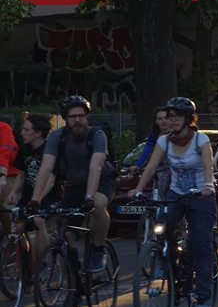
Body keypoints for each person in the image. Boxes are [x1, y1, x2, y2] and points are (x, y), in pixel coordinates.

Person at [130, 98, 218, 307]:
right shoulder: (164, 141)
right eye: (170, 116)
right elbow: (151, 167)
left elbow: (208, 164)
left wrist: (208, 185)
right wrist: (138, 189)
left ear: (188, 118)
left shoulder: (200, 140)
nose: (173, 119)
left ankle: (202, 297)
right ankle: (168, 261)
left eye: (178, 115)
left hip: (201, 196)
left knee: (200, 245)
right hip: (176, 194)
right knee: (162, 226)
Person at [29, 96, 116, 274]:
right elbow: (46, 168)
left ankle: (98, 250)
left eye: (81, 116)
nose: (77, 120)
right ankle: (74, 275)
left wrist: (90, 197)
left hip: (102, 180)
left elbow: (96, 166)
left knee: (98, 204)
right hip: (74, 184)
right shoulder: (57, 136)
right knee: (66, 231)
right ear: (65, 119)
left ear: (87, 117)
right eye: (73, 116)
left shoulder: (96, 134)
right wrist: (34, 201)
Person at [3, 114, 55, 252]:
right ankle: (24, 260)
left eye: (26, 130)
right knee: (17, 227)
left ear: (38, 133)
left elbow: (50, 180)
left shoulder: (49, 150)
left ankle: (43, 262)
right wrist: (14, 191)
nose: (22, 133)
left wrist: (37, 199)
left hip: (46, 196)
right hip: (28, 194)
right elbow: (21, 173)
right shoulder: (25, 148)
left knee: (38, 221)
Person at [131, 107, 173, 198]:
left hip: (175, 170)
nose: (163, 121)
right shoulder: (154, 136)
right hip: (161, 171)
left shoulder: (176, 135)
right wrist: (137, 165)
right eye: (160, 119)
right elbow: (146, 150)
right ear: (156, 122)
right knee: (157, 194)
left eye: (166, 118)